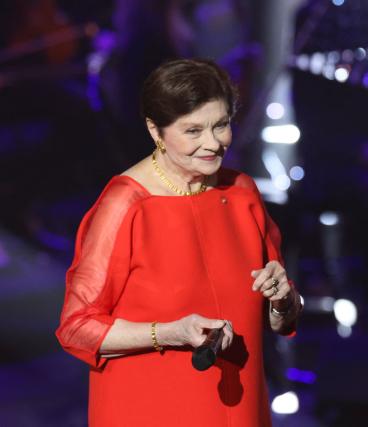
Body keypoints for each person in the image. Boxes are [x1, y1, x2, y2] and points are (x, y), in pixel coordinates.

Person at [56, 58, 302, 427]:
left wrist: (283, 301)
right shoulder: (126, 205)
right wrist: (168, 333)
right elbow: (77, 327)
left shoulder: (241, 193)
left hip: (238, 404)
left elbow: (280, 320)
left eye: (221, 125)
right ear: (156, 131)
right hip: (150, 405)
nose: (212, 143)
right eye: (193, 131)